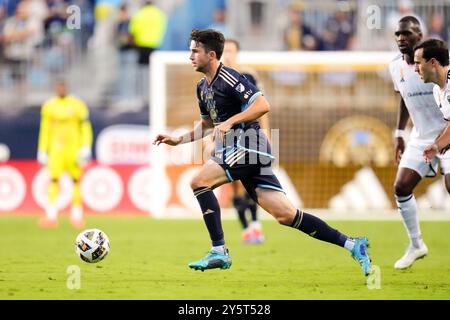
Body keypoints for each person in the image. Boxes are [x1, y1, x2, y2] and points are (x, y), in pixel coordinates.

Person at [153, 28, 371, 276]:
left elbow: (262, 104)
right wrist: (178, 139)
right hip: (241, 149)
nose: (190, 56)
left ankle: (219, 250)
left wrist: (231, 122)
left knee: (198, 182)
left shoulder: (231, 78)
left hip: (250, 145)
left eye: (195, 51)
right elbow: (207, 124)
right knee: (286, 215)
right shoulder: (202, 87)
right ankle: (353, 245)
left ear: (211, 54)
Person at [388, 17, 450, 269]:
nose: (401, 38)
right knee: (401, 187)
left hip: (446, 133)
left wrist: (438, 144)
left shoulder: (437, 69)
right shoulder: (396, 67)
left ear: (419, 35)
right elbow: (404, 98)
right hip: (422, 136)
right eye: (397, 34)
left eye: (407, 34)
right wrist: (400, 134)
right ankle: (416, 244)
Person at [221, 38, 267, 243]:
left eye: (231, 50)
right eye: (225, 51)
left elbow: (260, 105)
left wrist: (265, 132)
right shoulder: (217, 78)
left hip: (250, 135)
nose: (228, 54)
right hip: (228, 136)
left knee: (252, 181)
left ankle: (256, 223)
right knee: (235, 184)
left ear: (237, 52)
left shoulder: (248, 76)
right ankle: (246, 228)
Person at [37, 79, 93, 229]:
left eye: (62, 87)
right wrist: (42, 149)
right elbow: (45, 129)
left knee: (76, 181)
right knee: (54, 180)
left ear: (66, 88)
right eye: (58, 87)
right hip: (56, 149)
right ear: (56, 89)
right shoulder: (49, 106)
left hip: (73, 149)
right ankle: (51, 216)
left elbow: (85, 126)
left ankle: (76, 216)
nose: (60, 89)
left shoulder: (77, 105)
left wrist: (86, 146)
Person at [414, 39, 450, 181]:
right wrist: (436, 146)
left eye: (418, 63)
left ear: (433, 62)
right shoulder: (437, 91)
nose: (415, 69)